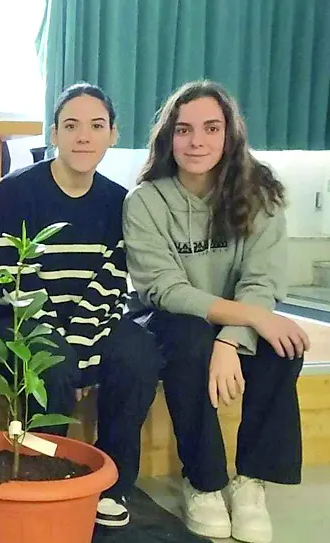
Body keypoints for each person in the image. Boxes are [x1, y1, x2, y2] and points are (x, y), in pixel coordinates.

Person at [0, 83, 165, 528]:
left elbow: (111, 283)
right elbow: (14, 278)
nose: (83, 136)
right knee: (51, 364)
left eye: (96, 126)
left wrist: (78, 345)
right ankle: (44, 479)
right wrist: (67, 351)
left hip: (88, 322)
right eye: (71, 126)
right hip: (13, 316)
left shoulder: (120, 201)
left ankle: (112, 483)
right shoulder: (15, 190)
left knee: (139, 354)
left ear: (112, 135)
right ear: (53, 133)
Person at [124, 80, 307, 543]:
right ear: (169, 138)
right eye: (184, 130)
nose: (197, 141)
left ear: (230, 135)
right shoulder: (145, 201)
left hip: (237, 319)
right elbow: (164, 288)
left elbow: (262, 281)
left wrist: (231, 337)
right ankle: (204, 480)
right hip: (172, 320)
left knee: (285, 343)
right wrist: (242, 320)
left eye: (210, 128)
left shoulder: (260, 193)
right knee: (189, 338)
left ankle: (251, 480)